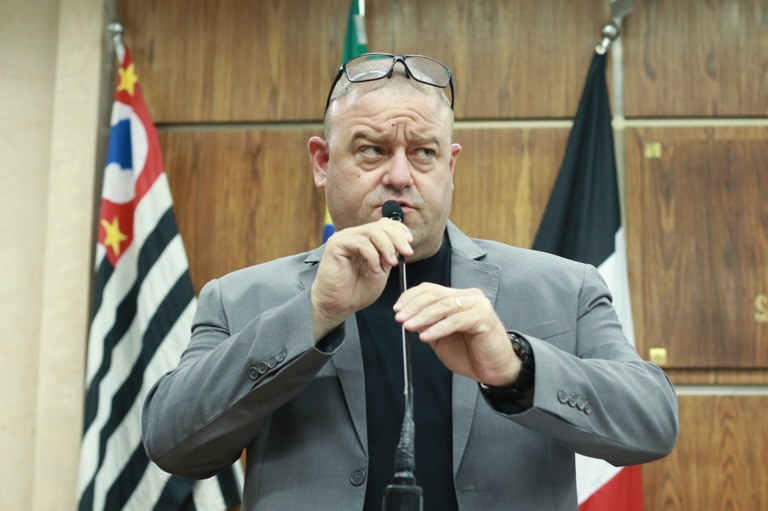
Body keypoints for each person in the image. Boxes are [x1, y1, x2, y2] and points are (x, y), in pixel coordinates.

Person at [142, 53, 678, 510]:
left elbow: (652, 423)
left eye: (424, 152)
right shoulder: (239, 299)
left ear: (450, 166)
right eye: (372, 150)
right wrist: (312, 315)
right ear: (322, 162)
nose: (400, 176)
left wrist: (517, 369)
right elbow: (172, 443)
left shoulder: (565, 287)